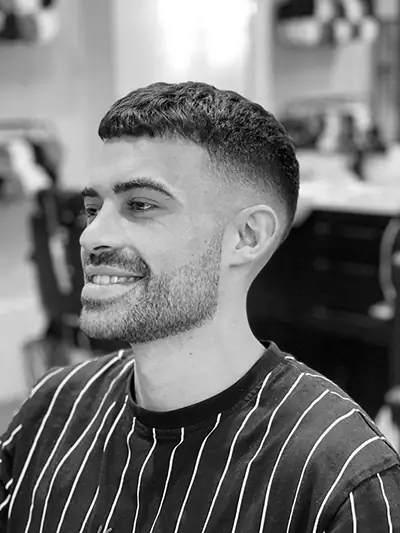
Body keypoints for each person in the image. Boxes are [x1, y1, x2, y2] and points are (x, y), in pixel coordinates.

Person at [1, 82, 399, 533]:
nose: (91, 237)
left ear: (247, 237)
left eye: (140, 205)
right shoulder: (52, 410)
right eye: (94, 209)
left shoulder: (339, 478)